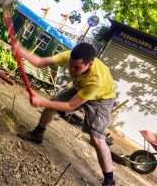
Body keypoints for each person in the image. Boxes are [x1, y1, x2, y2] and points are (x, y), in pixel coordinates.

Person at [16, 42, 115, 186]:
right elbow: (40, 62)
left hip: (101, 98)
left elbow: (70, 106)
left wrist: (41, 102)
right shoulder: (70, 56)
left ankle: (109, 180)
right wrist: (21, 50)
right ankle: (38, 133)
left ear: (90, 64)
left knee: (97, 139)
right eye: (71, 65)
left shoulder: (96, 80)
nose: (72, 70)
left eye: (77, 68)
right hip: (81, 88)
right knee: (54, 103)